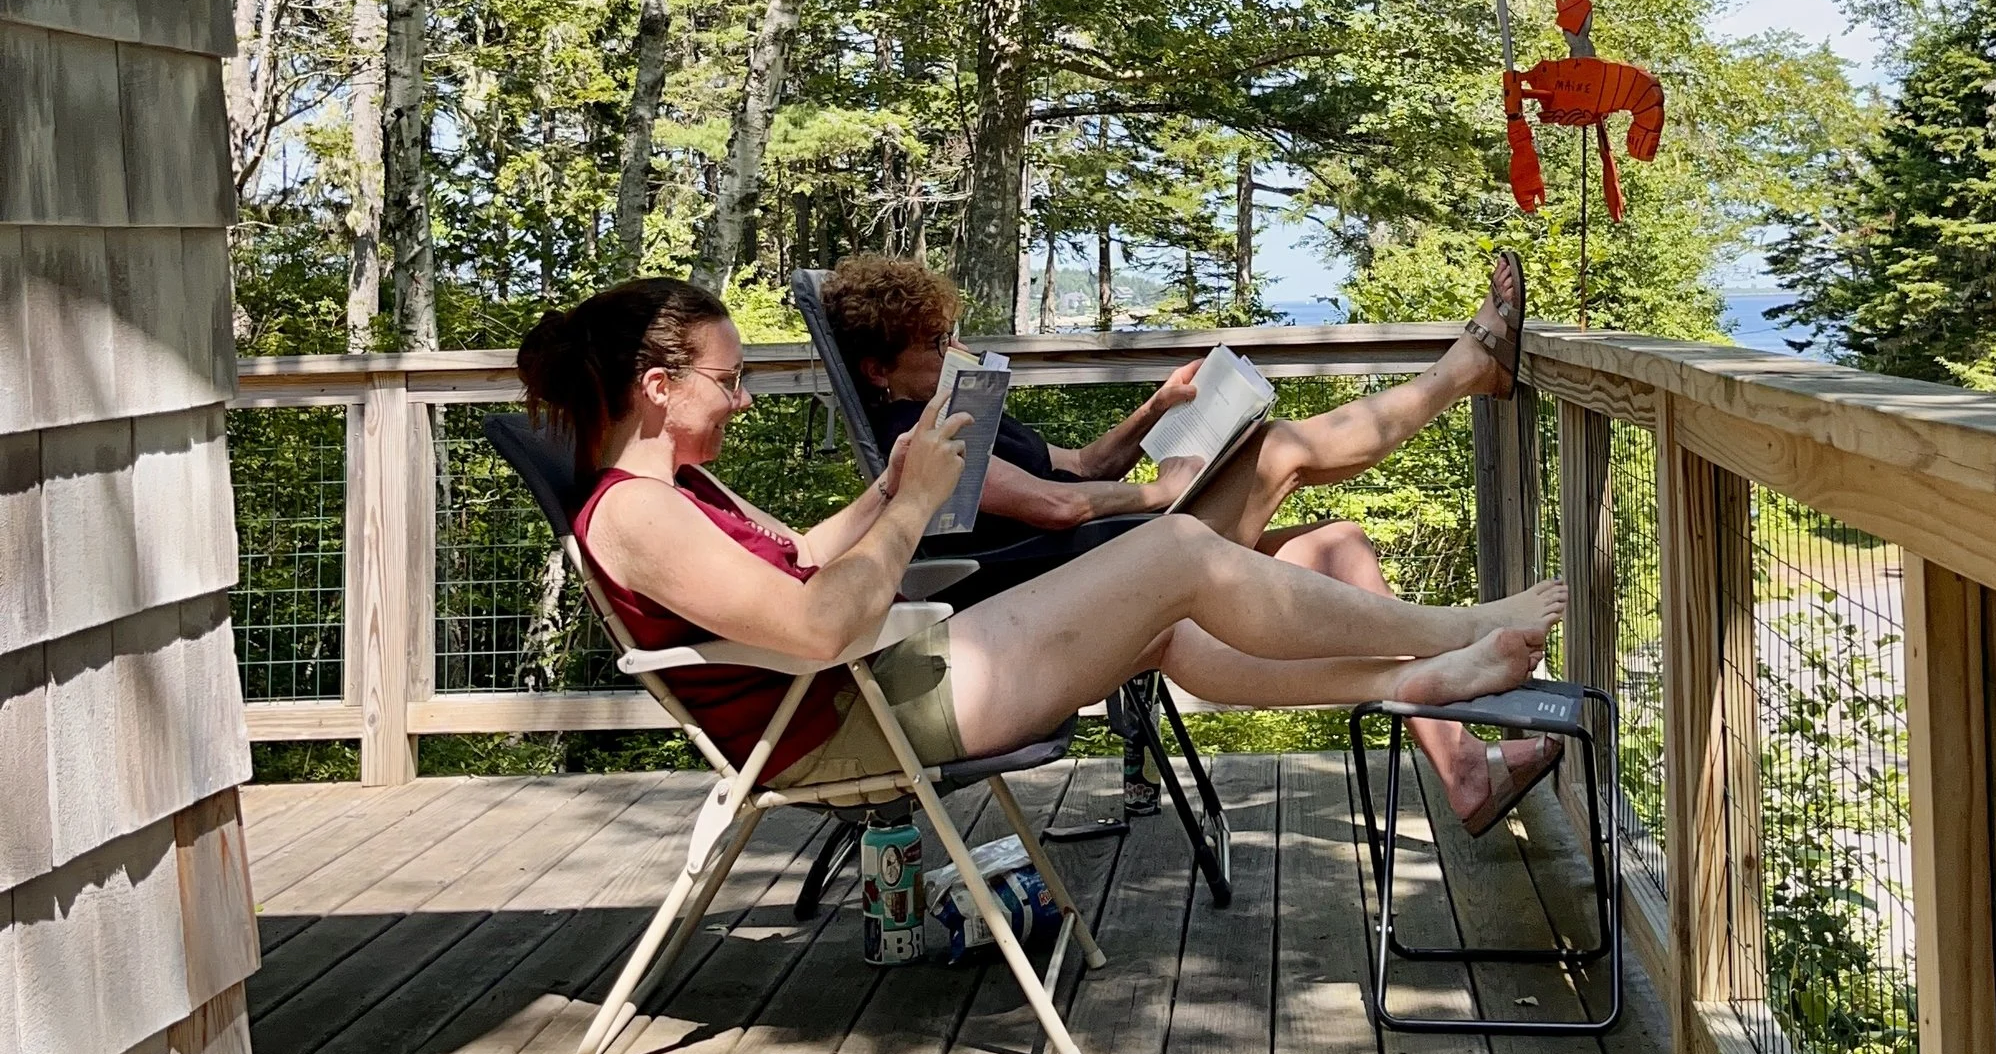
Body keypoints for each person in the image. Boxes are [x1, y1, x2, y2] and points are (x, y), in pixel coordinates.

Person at [516, 279, 1566, 799]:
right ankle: (1453, 635)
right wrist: (920, 505)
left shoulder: (679, 489)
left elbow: (797, 561)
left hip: (879, 689)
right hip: (848, 724)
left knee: (1167, 624)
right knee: (1175, 558)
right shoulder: (638, 511)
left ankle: (1417, 681)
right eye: (728, 378)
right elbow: (819, 619)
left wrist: (884, 493)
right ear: (658, 388)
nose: (741, 399)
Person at [818, 248, 1560, 829]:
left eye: (950, 331)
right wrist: (1162, 491)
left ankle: (1464, 772)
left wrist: (1156, 407)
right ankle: (1467, 370)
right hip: (1083, 584)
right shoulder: (911, 442)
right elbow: (1055, 506)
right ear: (879, 368)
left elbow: (1076, 467)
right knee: (1277, 450)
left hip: (1106, 552)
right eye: (932, 340)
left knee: (1339, 547)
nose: (953, 346)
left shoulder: (958, 402)